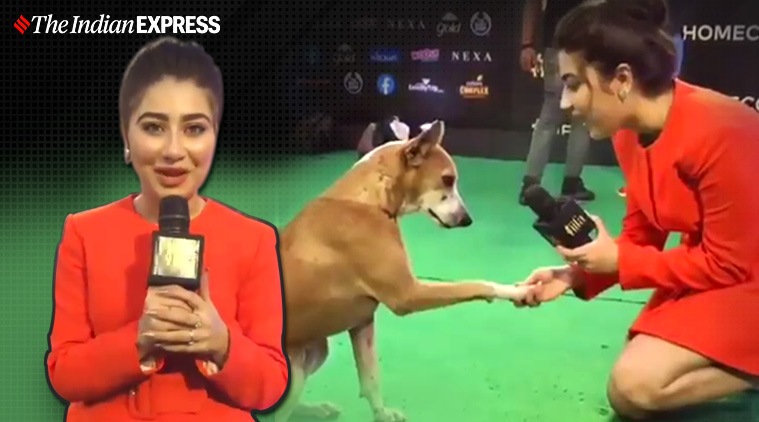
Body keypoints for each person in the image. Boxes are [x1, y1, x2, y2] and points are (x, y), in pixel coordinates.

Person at [513, 0, 759, 419]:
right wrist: (575, 275)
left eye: (574, 84)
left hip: (740, 272)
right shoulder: (628, 134)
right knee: (635, 384)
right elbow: (643, 235)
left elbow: (728, 262)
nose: (567, 102)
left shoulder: (723, 129)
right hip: (721, 269)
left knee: (635, 386)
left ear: (622, 80)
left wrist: (620, 261)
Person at [44, 36, 289, 421]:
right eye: (154, 127)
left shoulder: (254, 240)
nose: (174, 151)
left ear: (215, 135)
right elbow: (64, 374)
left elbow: (270, 385)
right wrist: (140, 339)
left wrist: (221, 342)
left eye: (194, 129)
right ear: (126, 135)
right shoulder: (84, 233)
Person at [518, 0, 595, 205]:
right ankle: (571, 184)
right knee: (581, 119)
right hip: (585, 49)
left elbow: (532, 4)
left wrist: (527, 44)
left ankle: (530, 185)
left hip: (557, 47)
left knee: (549, 118)